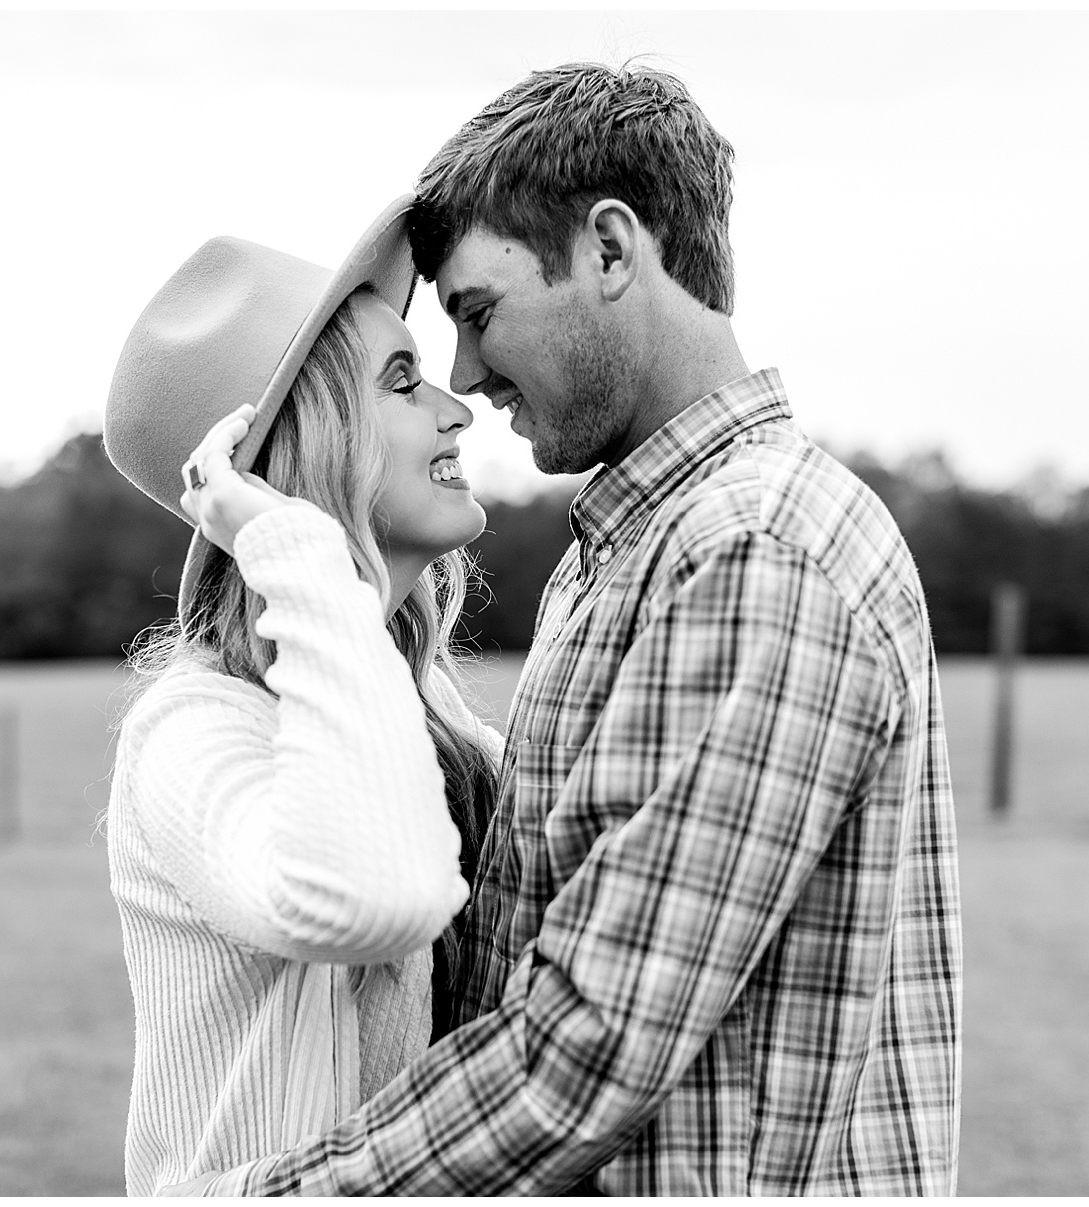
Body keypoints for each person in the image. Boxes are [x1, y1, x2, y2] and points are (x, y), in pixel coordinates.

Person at [192, 63, 963, 1197]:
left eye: (476, 312)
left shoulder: (755, 546)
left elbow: (589, 1042)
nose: (467, 377)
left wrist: (273, 1194)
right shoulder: (626, 552)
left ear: (610, 250)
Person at [98, 198, 503, 1196]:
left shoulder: (429, 713)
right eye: (403, 381)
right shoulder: (193, 729)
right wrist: (292, 546)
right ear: (303, 452)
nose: (457, 405)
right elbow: (377, 895)